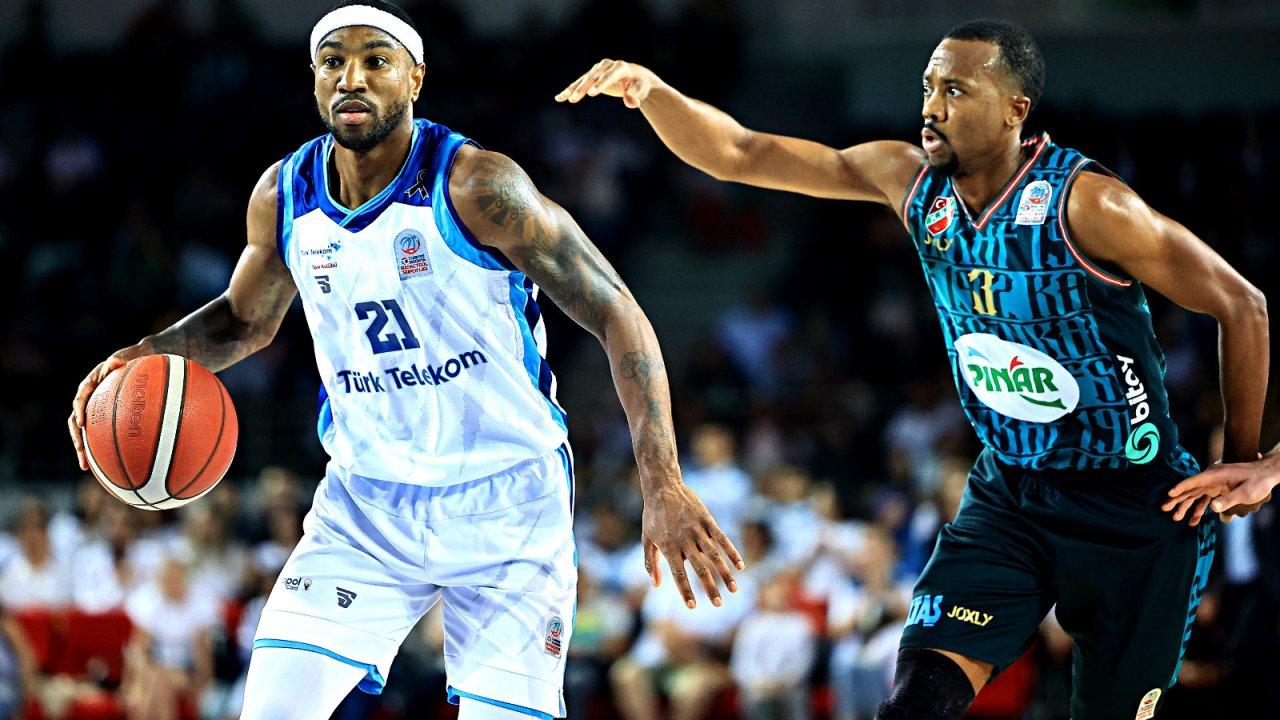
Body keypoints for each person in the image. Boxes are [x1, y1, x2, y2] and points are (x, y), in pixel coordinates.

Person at [557, 17, 1269, 720]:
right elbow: (741, 152)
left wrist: (1245, 458)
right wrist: (653, 93)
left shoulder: (1089, 205)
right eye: (928, 86)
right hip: (1012, 491)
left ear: (1015, 110)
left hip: (1132, 502)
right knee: (916, 702)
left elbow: (1243, 305)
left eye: (955, 90)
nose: (931, 106)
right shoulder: (911, 182)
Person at [66, 2, 742, 718]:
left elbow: (617, 310)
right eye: (334, 62)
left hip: (508, 500)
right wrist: (145, 354)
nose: (352, 78)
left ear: (415, 77)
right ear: (314, 78)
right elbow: (242, 320)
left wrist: (662, 481)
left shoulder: (478, 186)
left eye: (376, 61)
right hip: (367, 502)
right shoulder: (284, 195)